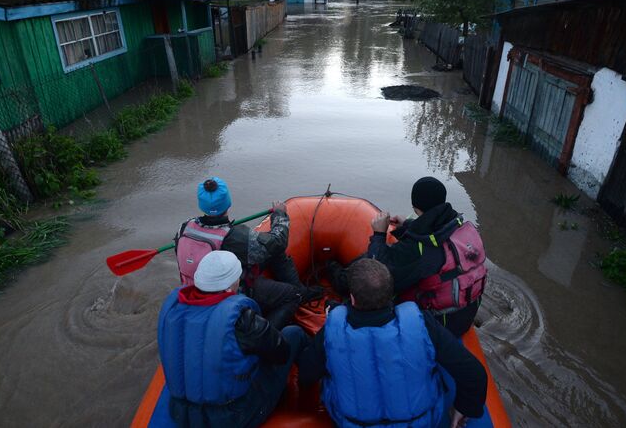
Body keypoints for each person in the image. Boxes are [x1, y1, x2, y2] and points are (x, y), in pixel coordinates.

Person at [299, 259, 488, 428]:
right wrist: (465, 408)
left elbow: (307, 374)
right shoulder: (422, 323)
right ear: (391, 295)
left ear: (353, 298)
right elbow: (475, 373)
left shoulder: (332, 330)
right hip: (423, 422)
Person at [158, 250, 308, 428]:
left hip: (181, 412)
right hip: (233, 417)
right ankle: (308, 393)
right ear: (231, 284)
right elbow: (281, 353)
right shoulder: (243, 321)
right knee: (293, 333)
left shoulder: (173, 310)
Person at [330, 176, 487, 337]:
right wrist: (407, 226)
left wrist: (379, 234)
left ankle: (334, 275)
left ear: (415, 208)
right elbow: (435, 238)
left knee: (364, 275)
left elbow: (377, 276)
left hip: (439, 324)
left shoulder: (418, 250)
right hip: (466, 311)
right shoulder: (458, 225)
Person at [175, 177, 320, 329]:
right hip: (227, 294)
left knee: (273, 253)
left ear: (201, 204)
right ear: (227, 203)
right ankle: (266, 333)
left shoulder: (184, 227)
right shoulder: (235, 237)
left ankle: (299, 289)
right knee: (292, 295)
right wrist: (279, 215)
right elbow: (278, 241)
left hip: (192, 288)